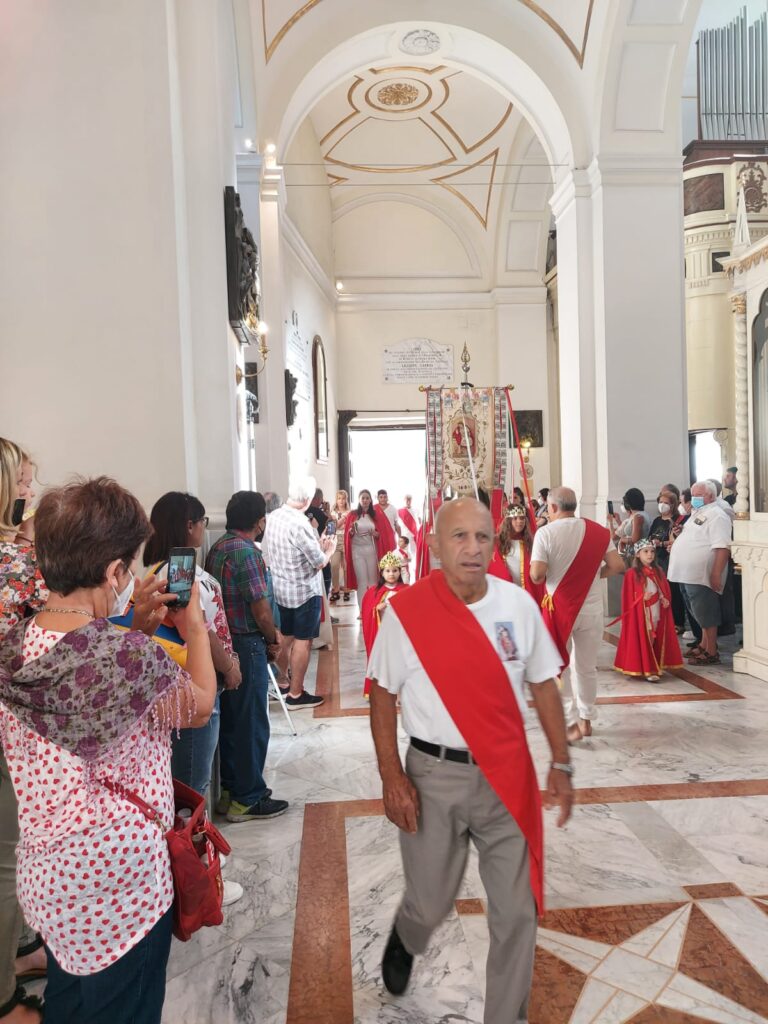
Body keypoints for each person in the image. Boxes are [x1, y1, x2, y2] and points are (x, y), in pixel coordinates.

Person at [0, 476, 217, 1024]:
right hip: (120, 885)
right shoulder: (125, 660)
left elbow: (81, 670)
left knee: (69, 1006)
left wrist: (134, 625)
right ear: (114, 571)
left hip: (50, 876)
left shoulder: (16, 646)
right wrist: (193, 626)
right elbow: (199, 705)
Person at [367, 498, 572, 1024]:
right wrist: (392, 776)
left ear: (494, 542)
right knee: (431, 900)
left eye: (482, 537)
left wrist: (561, 763)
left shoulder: (517, 605)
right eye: (459, 537)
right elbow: (382, 695)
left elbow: (545, 683)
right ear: (434, 546)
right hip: (433, 777)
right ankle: (407, 934)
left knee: (517, 913)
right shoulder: (407, 613)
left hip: (507, 777)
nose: (472, 548)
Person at [142, 493, 242, 800]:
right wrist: (228, 666)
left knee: (193, 779)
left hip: (189, 678)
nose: (202, 528)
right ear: (189, 525)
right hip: (193, 678)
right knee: (191, 787)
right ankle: (192, 845)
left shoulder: (160, 570)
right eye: (202, 522)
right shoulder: (178, 574)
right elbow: (194, 627)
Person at [0, 439, 48, 1024]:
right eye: (21, 486)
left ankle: (20, 949)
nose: (29, 495)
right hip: (11, 717)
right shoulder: (15, 564)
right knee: (7, 852)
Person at [206, 491, 290, 821]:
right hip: (247, 643)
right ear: (260, 522)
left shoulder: (218, 548)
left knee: (231, 721)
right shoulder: (246, 553)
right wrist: (273, 639)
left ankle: (230, 790)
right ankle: (249, 796)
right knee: (252, 723)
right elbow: (261, 608)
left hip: (224, 646)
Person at [530, 487, 624, 743]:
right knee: (585, 667)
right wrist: (594, 576)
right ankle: (586, 719)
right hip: (592, 608)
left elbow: (537, 575)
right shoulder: (598, 532)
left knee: (558, 666)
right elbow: (617, 566)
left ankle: (569, 722)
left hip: (559, 609)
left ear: (552, 507)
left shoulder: (545, 533)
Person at [261, 477, 335, 709]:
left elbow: (267, 552)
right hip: (304, 591)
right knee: (303, 642)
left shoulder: (273, 517)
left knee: (287, 635)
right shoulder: (300, 523)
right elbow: (318, 561)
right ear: (306, 499)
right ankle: (296, 694)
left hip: (282, 589)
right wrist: (329, 550)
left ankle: (283, 682)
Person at [668, 480, 731, 666]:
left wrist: (716, 573)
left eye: (699, 495)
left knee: (705, 609)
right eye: (693, 495)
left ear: (711, 496)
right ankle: (704, 644)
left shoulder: (718, 515)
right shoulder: (700, 513)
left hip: (702, 574)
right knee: (696, 609)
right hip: (687, 573)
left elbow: (722, 547)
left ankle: (711, 650)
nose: (694, 498)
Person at [614, 538, 682, 682]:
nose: (650, 555)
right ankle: (647, 668)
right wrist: (641, 597)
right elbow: (628, 596)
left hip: (656, 609)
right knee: (647, 636)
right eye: (645, 552)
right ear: (638, 554)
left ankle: (652, 664)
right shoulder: (632, 573)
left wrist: (664, 598)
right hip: (642, 613)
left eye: (652, 551)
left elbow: (661, 588)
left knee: (654, 636)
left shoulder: (658, 571)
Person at [361, 552, 409, 697]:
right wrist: (376, 609)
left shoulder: (406, 590)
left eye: (395, 570)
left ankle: (402, 692)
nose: (392, 574)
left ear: (400, 571)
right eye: (388, 571)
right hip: (382, 634)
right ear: (382, 572)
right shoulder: (374, 592)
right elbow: (367, 612)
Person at [344, 489, 396, 610]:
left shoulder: (376, 514)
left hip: (371, 551)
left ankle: (373, 606)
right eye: (363, 498)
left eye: (367, 498)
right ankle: (362, 609)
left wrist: (377, 535)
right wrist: (351, 532)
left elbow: (383, 533)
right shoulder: (352, 515)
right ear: (359, 500)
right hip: (357, 552)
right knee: (362, 581)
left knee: (373, 580)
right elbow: (348, 535)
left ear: (371, 500)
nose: (365, 500)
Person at [488, 505, 545, 605]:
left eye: (522, 518)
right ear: (508, 521)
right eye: (515, 518)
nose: (519, 521)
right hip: (504, 595)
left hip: (525, 595)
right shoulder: (497, 543)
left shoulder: (531, 542)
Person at [648, 488, 686, 632]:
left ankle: (678, 622)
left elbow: (677, 540)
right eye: (661, 502)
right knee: (660, 590)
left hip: (670, 558)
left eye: (666, 503)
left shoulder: (677, 520)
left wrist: (662, 544)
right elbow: (650, 537)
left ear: (673, 505)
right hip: (656, 559)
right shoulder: (657, 520)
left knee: (673, 591)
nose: (662, 505)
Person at [609, 487, 651, 560]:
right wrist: (619, 521)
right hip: (632, 553)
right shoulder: (640, 515)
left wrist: (622, 540)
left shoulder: (638, 517)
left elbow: (635, 540)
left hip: (635, 555)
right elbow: (630, 531)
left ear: (628, 503)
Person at [329, 489, 352, 603]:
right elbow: (332, 528)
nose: (341, 501)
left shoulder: (350, 512)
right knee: (334, 565)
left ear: (346, 499)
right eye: (339, 498)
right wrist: (341, 521)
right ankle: (336, 590)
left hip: (347, 539)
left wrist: (341, 524)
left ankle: (347, 590)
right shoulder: (332, 512)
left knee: (346, 566)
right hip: (335, 540)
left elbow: (352, 527)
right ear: (336, 500)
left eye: (343, 498)